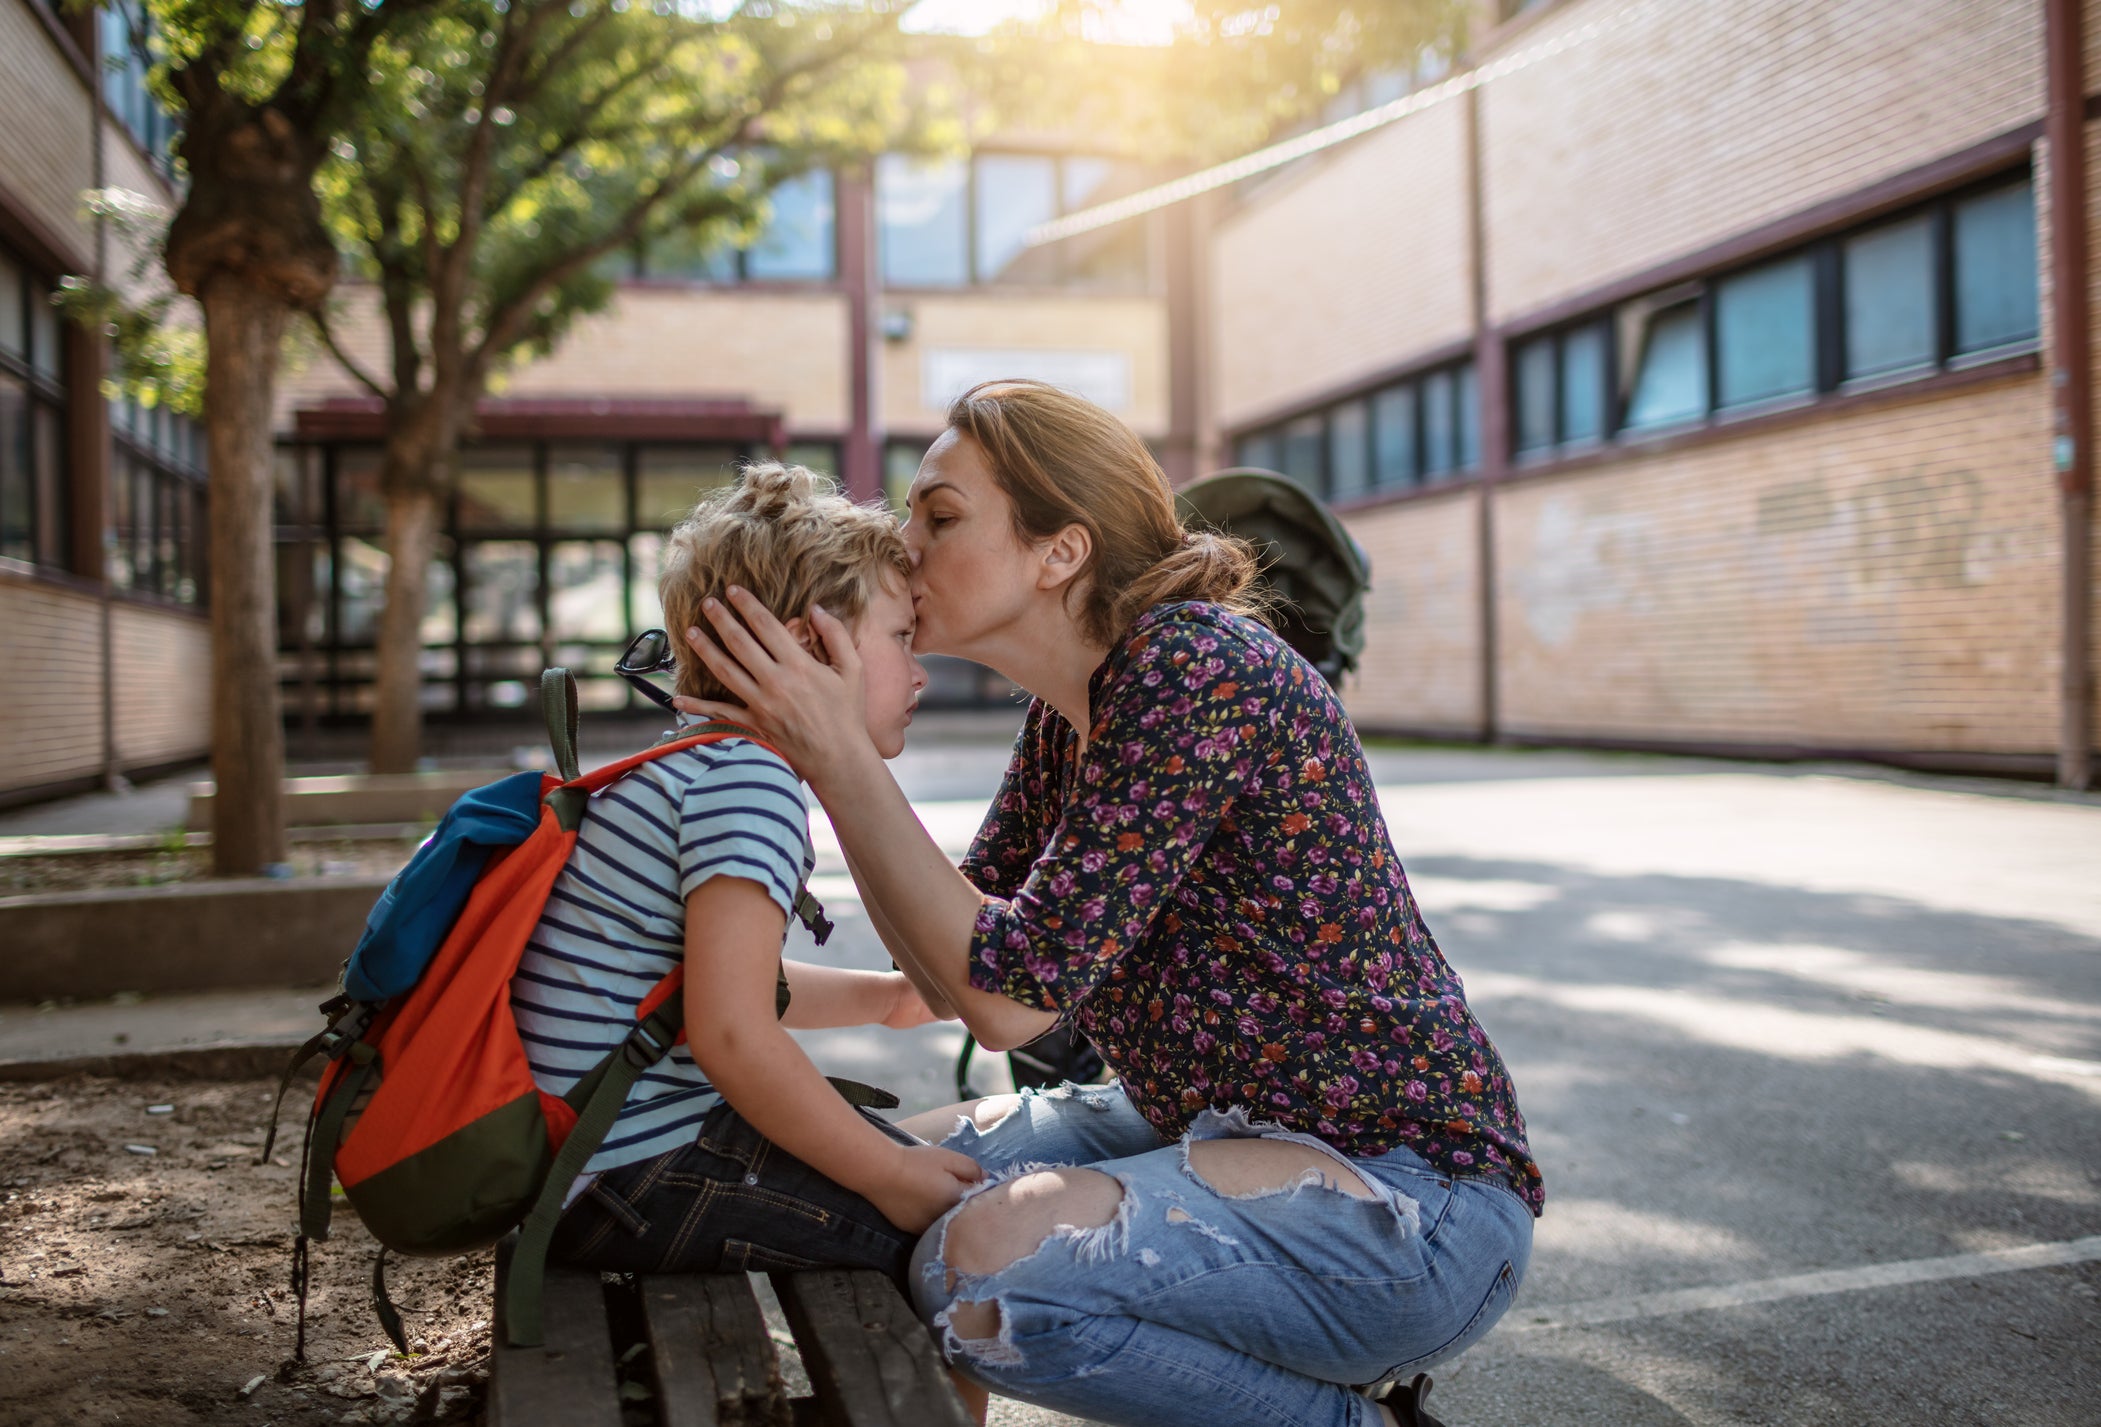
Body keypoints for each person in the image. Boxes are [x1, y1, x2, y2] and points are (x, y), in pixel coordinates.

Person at [676, 382, 1545, 1427]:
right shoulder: (1066, 716)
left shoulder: (1192, 665)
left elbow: (1009, 1000)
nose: (905, 548)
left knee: (984, 1266)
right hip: (1210, 1121)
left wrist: (839, 754)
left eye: (940, 516)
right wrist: (818, 749)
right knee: (885, 1179)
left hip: (1409, 1197)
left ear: (1060, 551)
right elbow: (953, 964)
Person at [510, 462, 983, 1282]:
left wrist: (882, 998)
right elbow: (731, 1032)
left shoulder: (690, 760)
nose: (920, 671)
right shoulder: (750, 781)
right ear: (808, 646)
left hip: (588, 1161)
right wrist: (891, 1175)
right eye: (900, 638)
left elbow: (707, 984)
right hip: (628, 1170)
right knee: (960, 1246)